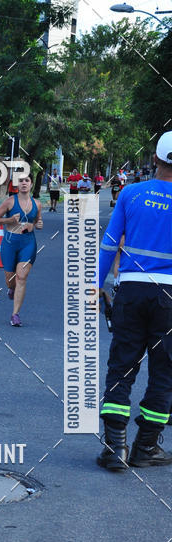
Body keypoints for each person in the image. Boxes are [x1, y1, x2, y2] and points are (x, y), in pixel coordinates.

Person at [97, 131, 172, 471]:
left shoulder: (131, 193)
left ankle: (115, 449)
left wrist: (96, 286)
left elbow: (109, 244)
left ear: (155, 159)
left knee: (122, 366)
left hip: (131, 290)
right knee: (164, 372)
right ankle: (146, 447)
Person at [0, 173, 43, 326]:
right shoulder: (9, 202)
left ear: (31, 184)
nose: (24, 183)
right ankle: (11, 289)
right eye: (21, 181)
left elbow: (37, 221)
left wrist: (37, 225)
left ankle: (15, 315)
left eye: (27, 180)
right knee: (10, 280)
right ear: (17, 184)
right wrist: (9, 220)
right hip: (9, 243)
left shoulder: (37, 204)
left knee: (21, 277)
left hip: (28, 243)